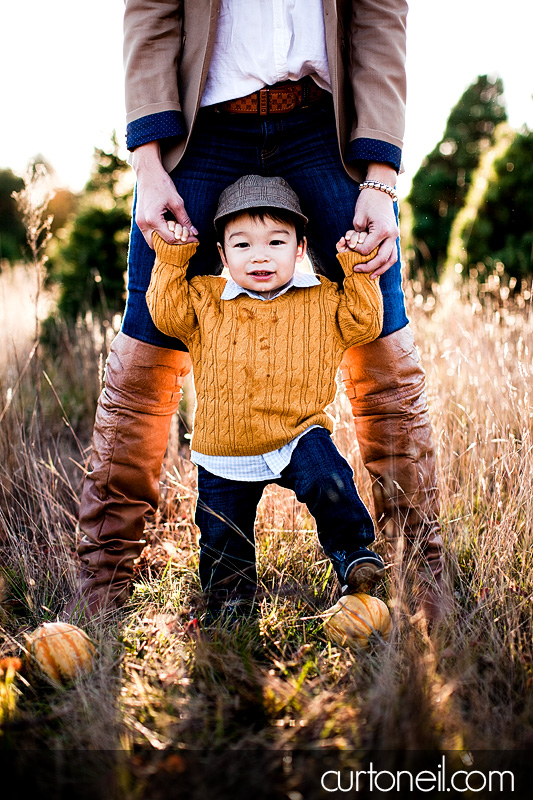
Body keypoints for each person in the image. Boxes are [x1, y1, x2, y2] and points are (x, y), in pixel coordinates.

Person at [67, 0, 445, 623]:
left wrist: (381, 178)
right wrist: (146, 163)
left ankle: (423, 573)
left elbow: (380, 16)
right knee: (145, 346)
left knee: (383, 343)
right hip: (201, 130)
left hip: (324, 129)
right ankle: (101, 582)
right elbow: (150, 13)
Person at [146, 174, 385, 619]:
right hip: (225, 448)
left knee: (329, 478)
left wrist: (356, 267)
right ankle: (231, 605)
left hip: (298, 432)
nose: (259, 256)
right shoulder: (205, 299)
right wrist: (172, 257)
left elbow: (364, 322)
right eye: (242, 245)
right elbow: (164, 313)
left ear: (299, 248)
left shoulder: (322, 298)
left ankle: (354, 556)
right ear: (221, 254)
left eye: (276, 242)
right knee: (223, 538)